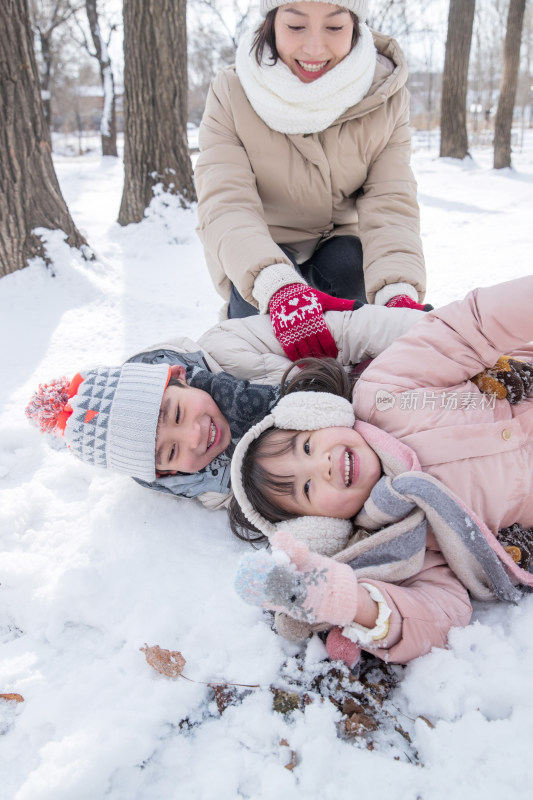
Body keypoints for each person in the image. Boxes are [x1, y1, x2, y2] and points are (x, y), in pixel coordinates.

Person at [229, 276, 533, 667]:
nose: (320, 464)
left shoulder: (385, 391)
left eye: (306, 445)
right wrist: (350, 602)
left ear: (321, 415)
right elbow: (438, 610)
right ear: (320, 526)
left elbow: (469, 328)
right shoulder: (403, 542)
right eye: (306, 488)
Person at [195, 0, 430, 362]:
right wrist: (277, 286)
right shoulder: (232, 91)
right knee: (259, 345)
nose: (315, 48)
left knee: (353, 270)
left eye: (334, 28)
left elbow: (391, 203)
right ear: (272, 23)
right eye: (296, 26)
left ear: (354, 25)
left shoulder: (384, 96)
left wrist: (397, 293)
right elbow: (225, 202)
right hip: (261, 253)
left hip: (338, 247)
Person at [25, 303, 426, 511]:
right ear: (167, 474)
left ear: (179, 377)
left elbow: (347, 331)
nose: (195, 436)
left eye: (178, 414)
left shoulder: (226, 347)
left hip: (374, 380)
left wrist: (428, 333)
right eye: (171, 452)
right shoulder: (217, 489)